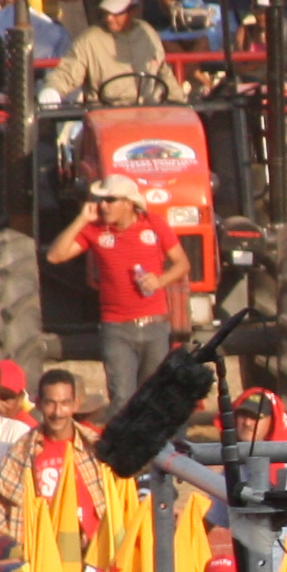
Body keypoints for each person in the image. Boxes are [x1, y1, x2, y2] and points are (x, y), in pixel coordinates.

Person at [46, 176, 189, 412]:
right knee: (122, 399)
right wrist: (81, 220)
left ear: (128, 203)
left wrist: (159, 281)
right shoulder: (94, 229)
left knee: (155, 398)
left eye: (110, 200)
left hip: (155, 325)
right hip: (116, 328)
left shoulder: (154, 224)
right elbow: (55, 256)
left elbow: (182, 263)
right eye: (101, 199)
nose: (103, 205)